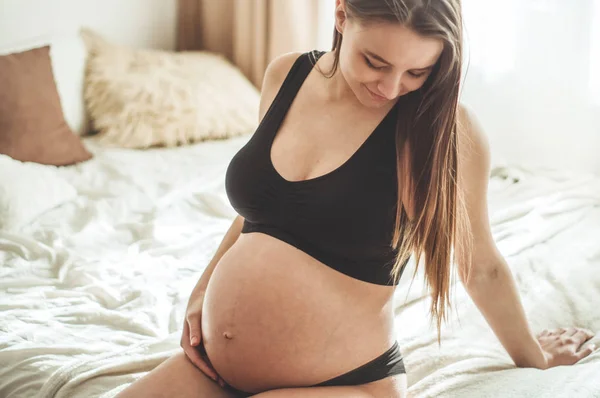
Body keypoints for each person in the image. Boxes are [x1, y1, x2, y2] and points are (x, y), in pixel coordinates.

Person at [115, 0, 596, 397]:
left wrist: (535, 357)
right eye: (375, 62)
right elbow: (261, 212)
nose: (390, 89)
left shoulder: (442, 132)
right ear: (342, 16)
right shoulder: (285, 76)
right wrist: (203, 290)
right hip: (213, 372)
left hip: (343, 385)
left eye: (417, 72)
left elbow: (480, 265)